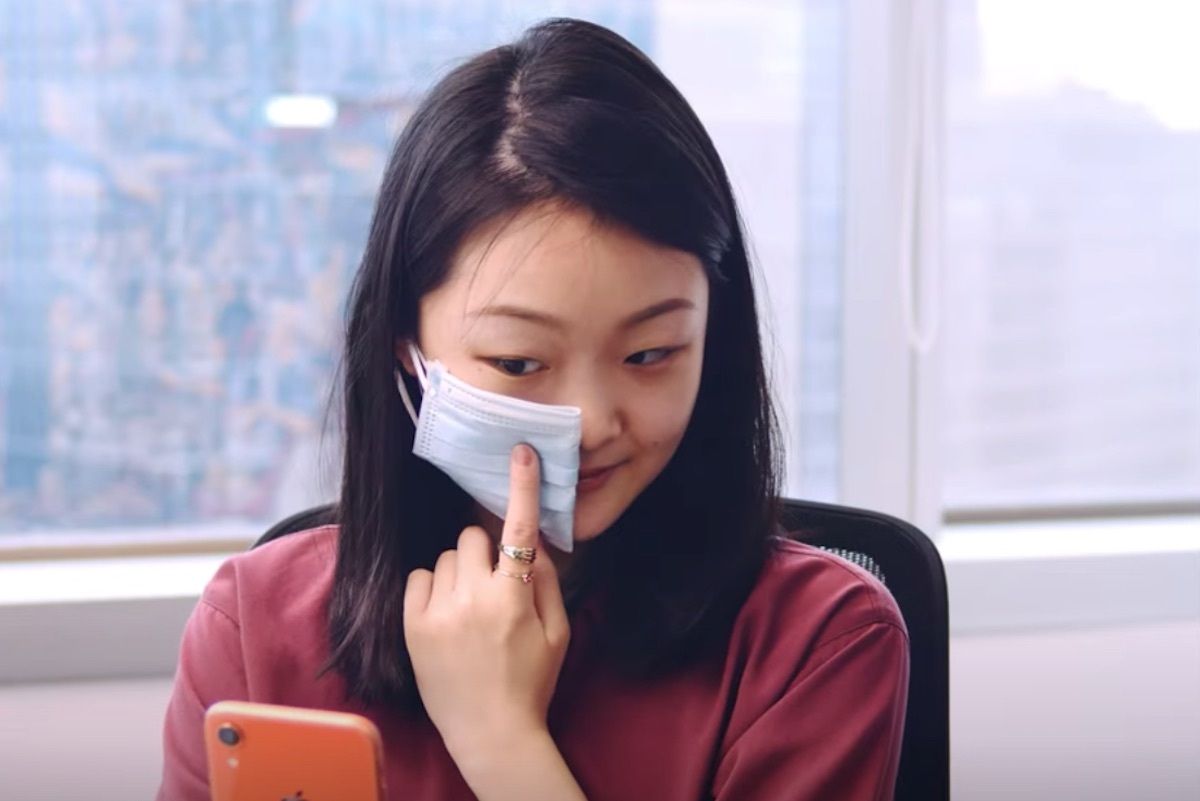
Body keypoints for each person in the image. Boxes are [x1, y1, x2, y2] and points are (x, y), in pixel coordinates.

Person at [157, 18, 908, 801]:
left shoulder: (823, 641)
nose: (591, 421)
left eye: (650, 354)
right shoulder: (254, 626)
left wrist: (500, 740)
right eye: (519, 363)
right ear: (404, 346)